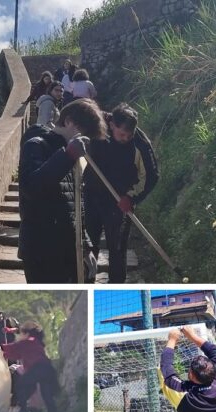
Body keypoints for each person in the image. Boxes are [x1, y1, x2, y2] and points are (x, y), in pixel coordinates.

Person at [18, 98, 107, 283]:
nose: (85, 140)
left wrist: (86, 246)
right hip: (41, 253)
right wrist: (67, 156)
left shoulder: (70, 154)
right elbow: (31, 188)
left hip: (68, 251)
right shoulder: (36, 145)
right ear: (68, 121)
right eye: (84, 132)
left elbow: (75, 205)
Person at [85, 103, 159, 283]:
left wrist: (132, 197)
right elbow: (75, 120)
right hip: (92, 194)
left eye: (129, 135)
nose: (125, 138)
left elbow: (151, 176)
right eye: (121, 134)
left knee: (117, 248)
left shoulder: (141, 143)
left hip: (119, 201)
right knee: (88, 243)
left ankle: (116, 282)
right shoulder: (98, 124)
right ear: (111, 125)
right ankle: (87, 280)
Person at [160, 326, 216, 412]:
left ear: (192, 375)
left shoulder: (183, 394)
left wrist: (172, 339)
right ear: (214, 370)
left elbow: (166, 369)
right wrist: (193, 336)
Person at [0, 321, 59, 412]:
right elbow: (17, 354)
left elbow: (13, 348)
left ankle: (24, 411)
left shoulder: (29, 341)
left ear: (26, 334)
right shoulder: (36, 342)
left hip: (38, 368)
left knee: (20, 385)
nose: (20, 336)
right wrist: (3, 353)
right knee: (47, 397)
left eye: (21, 334)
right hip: (47, 370)